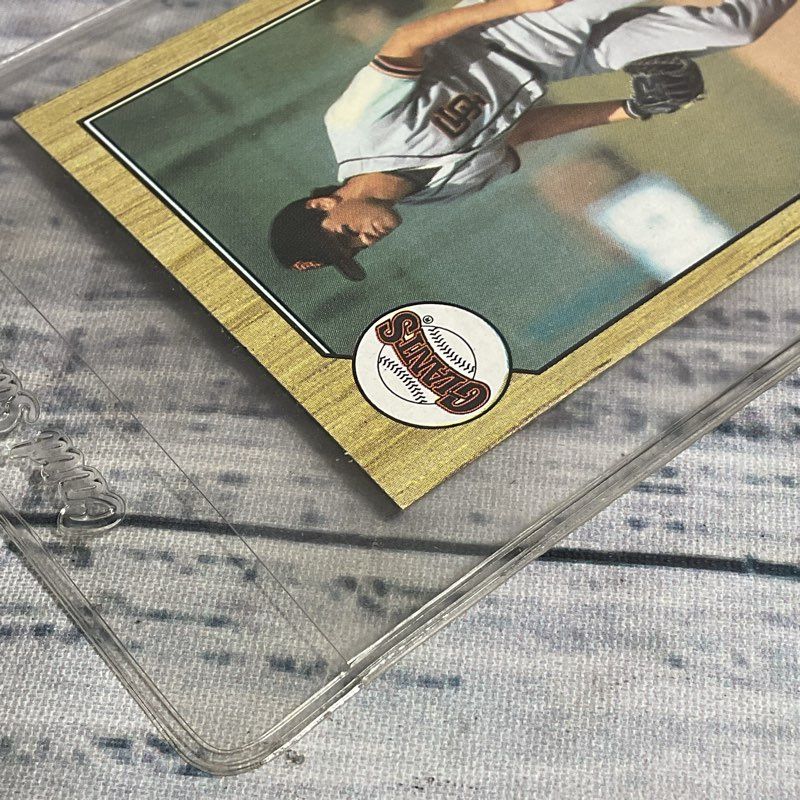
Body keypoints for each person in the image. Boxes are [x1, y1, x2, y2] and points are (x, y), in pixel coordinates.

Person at [270, 0, 795, 280]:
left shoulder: (353, 127)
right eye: (354, 251)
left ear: (323, 204)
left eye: (344, 235)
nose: (364, 242)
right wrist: (630, 109)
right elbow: (525, 130)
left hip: (517, 22)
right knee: (736, 25)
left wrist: (517, 3)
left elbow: (406, 40)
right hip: (561, 62)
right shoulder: (440, 194)